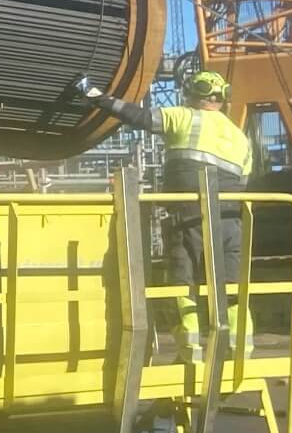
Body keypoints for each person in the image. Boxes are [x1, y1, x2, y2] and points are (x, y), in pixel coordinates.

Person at [78, 69, 255, 362]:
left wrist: (93, 94)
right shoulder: (240, 137)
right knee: (232, 287)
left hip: (187, 218)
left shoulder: (184, 117)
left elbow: (136, 115)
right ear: (222, 99)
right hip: (231, 221)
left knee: (183, 284)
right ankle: (240, 352)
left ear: (193, 95)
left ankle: (191, 352)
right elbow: (246, 182)